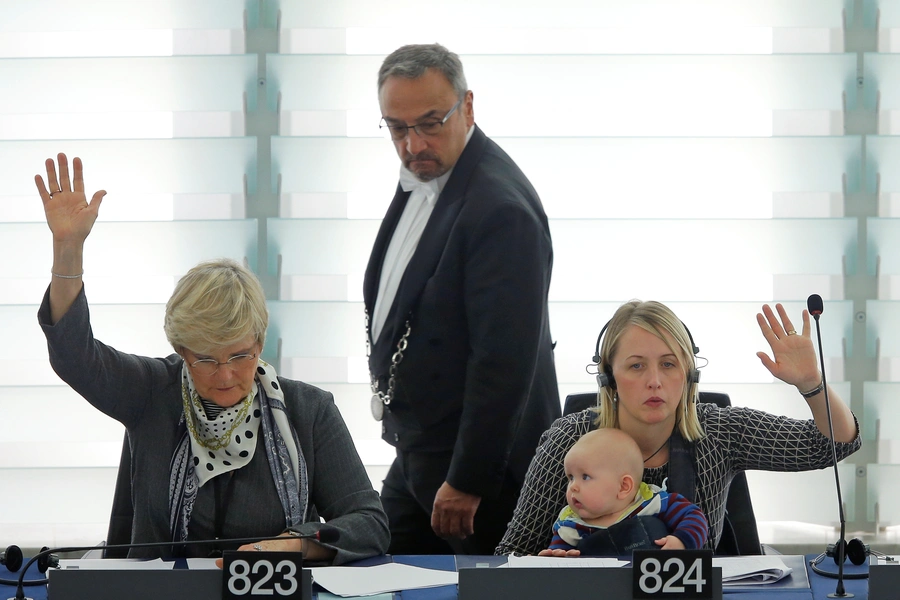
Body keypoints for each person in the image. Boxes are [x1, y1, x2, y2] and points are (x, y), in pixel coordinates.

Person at [35, 153, 390, 563]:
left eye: (239, 355)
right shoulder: (151, 391)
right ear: (182, 352)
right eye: (205, 359)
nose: (225, 375)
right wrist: (67, 249)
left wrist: (296, 544)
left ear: (260, 342)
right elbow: (74, 357)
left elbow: (370, 523)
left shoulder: (309, 411)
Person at [364, 43, 560, 555]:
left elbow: (504, 362)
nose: (412, 145)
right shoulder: (430, 172)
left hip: (478, 475)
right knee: (373, 571)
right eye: (397, 128)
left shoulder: (501, 210)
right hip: (421, 451)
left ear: (467, 107)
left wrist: (469, 479)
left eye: (430, 123)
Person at [496, 299, 861, 556]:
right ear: (608, 377)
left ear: (689, 374)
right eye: (637, 366)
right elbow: (512, 553)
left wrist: (812, 383)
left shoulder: (718, 431)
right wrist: (546, 569)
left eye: (669, 365)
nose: (655, 381)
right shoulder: (568, 440)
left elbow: (829, 445)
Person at [544, 427, 708, 554]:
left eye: (585, 477)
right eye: (571, 477)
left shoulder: (655, 504)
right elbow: (557, 568)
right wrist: (554, 560)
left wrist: (682, 541)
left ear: (623, 487)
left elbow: (694, 517)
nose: (573, 486)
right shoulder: (570, 528)